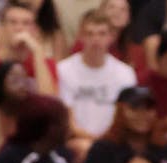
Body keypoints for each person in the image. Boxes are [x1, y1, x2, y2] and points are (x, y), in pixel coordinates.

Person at [58, 10, 139, 141]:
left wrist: (104, 142)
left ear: (111, 37)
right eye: (90, 34)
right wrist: (92, 141)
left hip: (114, 140)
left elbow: (127, 117)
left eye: (102, 34)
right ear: (81, 36)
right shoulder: (64, 69)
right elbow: (67, 119)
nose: (96, 40)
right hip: (76, 140)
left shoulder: (125, 73)